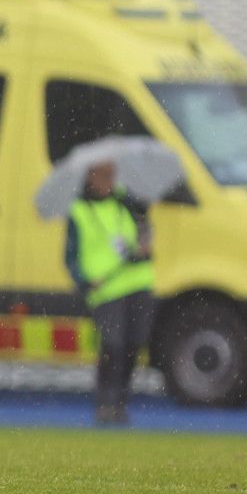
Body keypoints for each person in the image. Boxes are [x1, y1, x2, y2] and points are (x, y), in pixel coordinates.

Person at [65, 159, 155, 425]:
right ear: (89, 177)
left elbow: (145, 230)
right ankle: (106, 402)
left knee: (133, 345)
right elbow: (70, 256)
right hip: (105, 289)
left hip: (137, 281)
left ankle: (120, 402)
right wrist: (84, 281)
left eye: (111, 175)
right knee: (112, 346)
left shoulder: (127, 202)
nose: (108, 182)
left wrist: (145, 244)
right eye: (102, 175)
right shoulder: (79, 210)